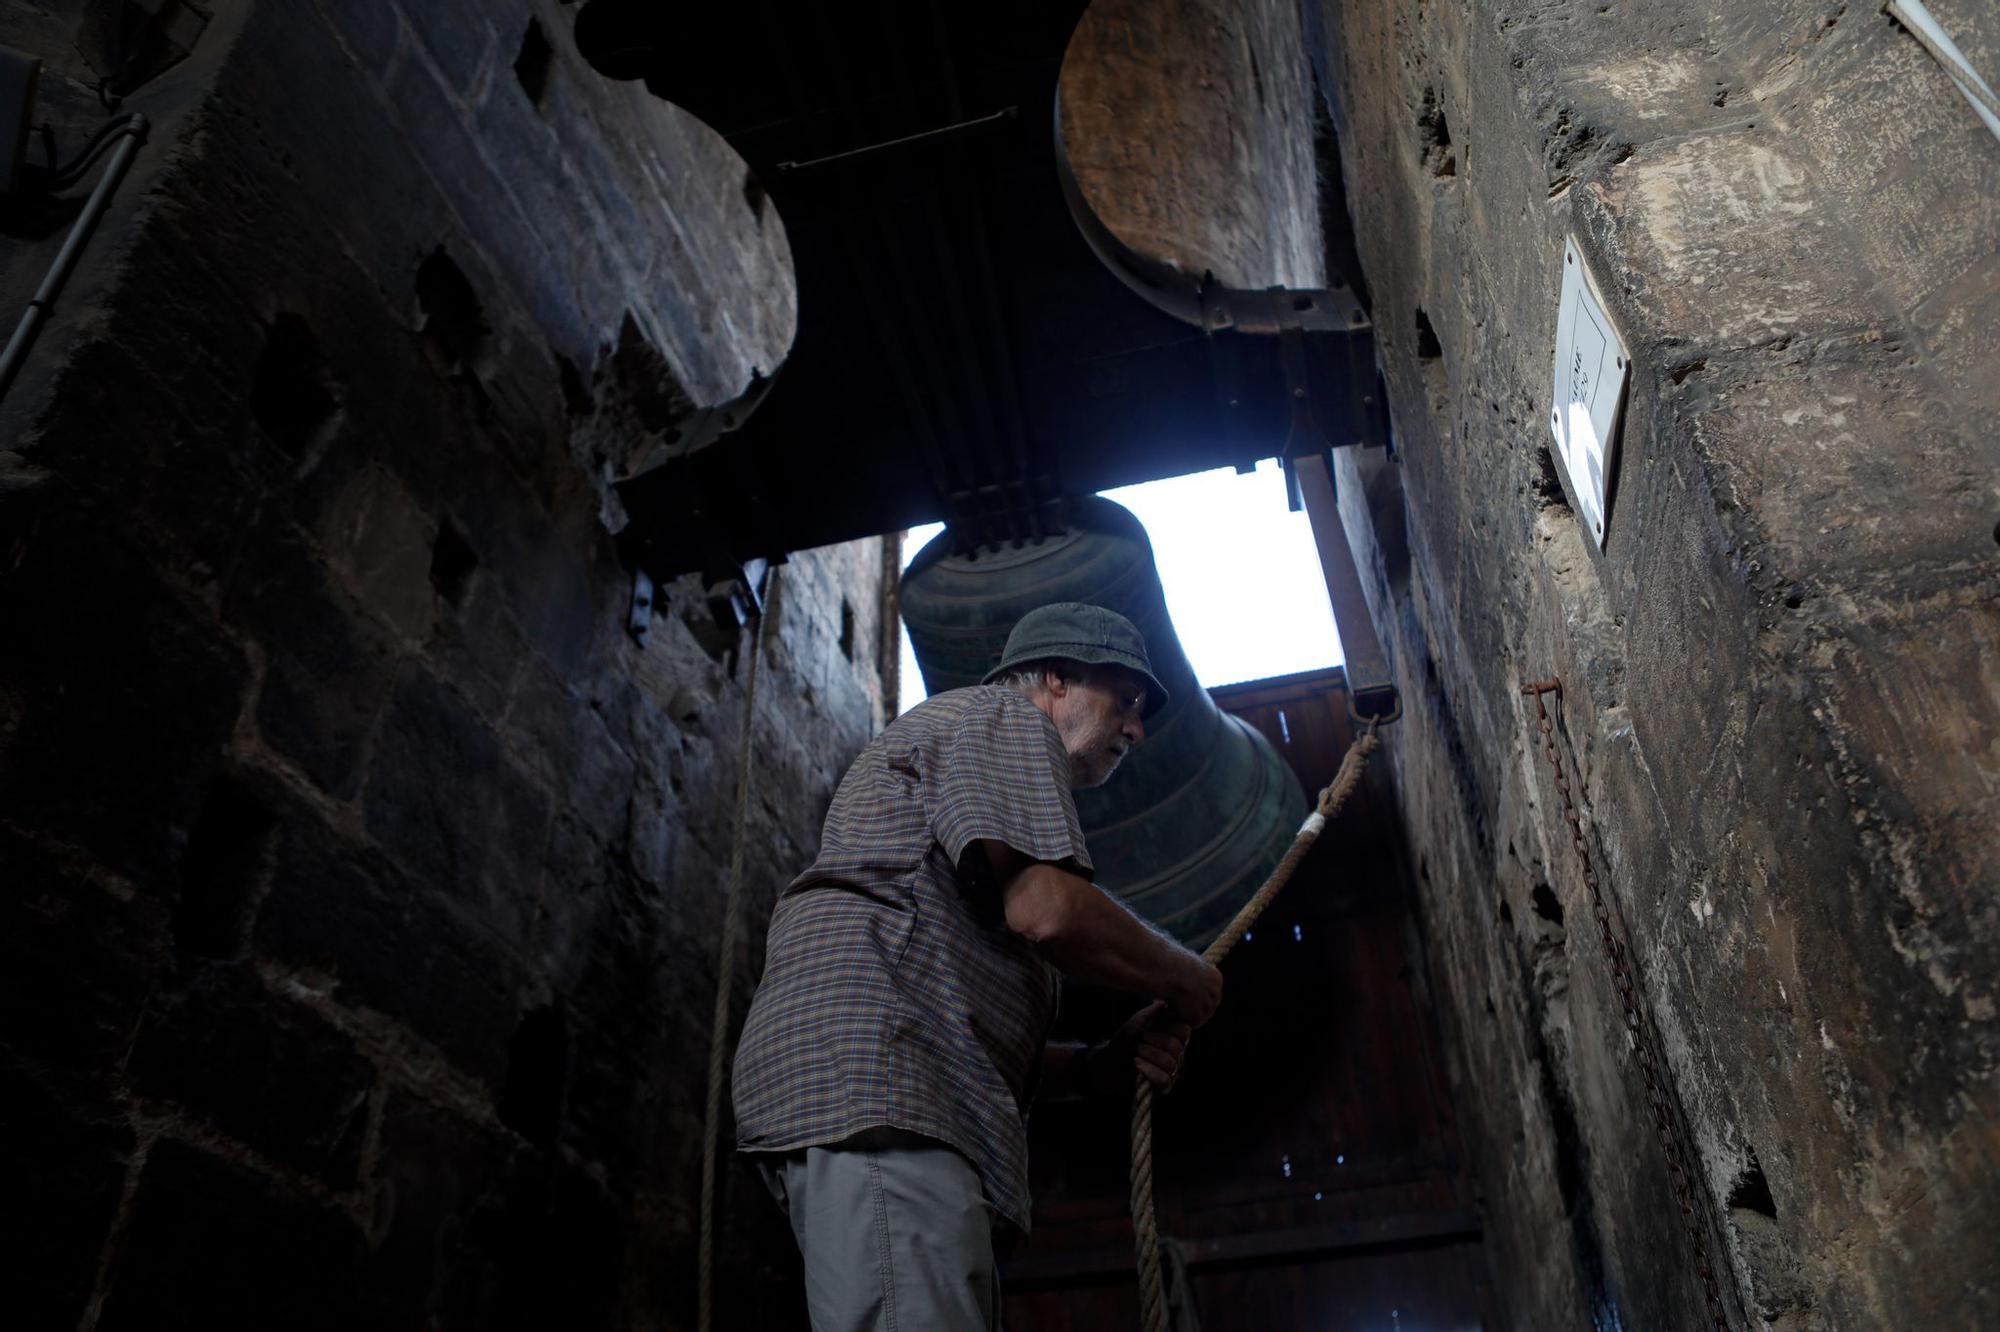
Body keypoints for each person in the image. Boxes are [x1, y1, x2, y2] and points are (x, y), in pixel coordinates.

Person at [731, 600, 1224, 1330]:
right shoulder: (1007, 720)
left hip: (894, 1087)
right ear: (1057, 679)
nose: (1137, 728)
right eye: (1126, 700)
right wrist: (1190, 977)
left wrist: (1091, 1068)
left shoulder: (976, 754)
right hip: (888, 1088)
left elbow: (953, 996)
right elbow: (1046, 910)